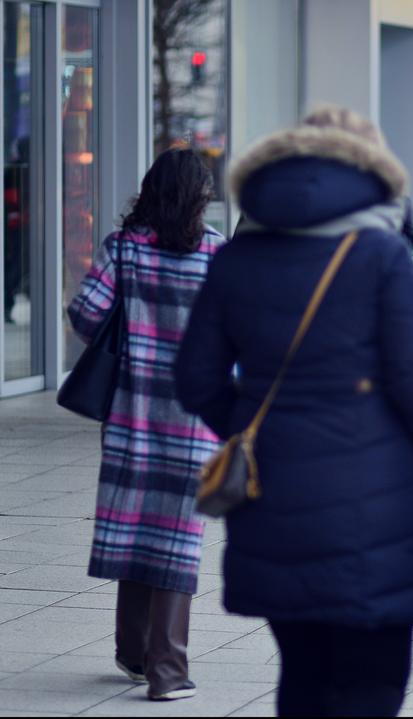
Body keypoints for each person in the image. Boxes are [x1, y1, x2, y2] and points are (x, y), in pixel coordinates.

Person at [175, 106, 413, 717]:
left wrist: (249, 428)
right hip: (375, 504)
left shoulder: (240, 256)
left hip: (270, 495)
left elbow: (194, 377)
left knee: (301, 675)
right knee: (374, 682)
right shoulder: (382, 256)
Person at [66, 149, 221, 703]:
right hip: (193, 420)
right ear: (200, 197)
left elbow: (85, 313)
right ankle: (167, 672)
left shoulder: (124, 250)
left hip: (131, 416)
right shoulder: (215, 254)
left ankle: (133, 653)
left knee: (137, 526)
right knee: (177, 539)